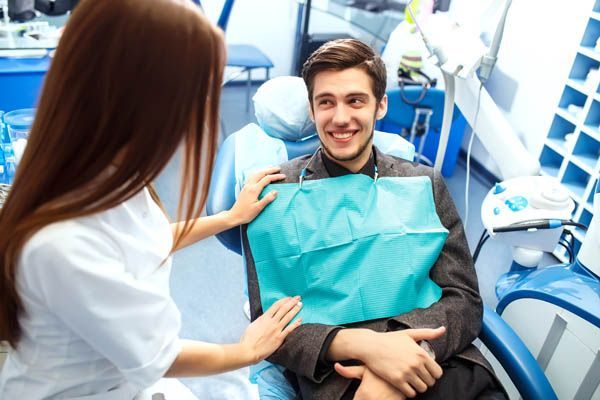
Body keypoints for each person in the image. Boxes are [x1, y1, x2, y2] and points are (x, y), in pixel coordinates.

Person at [0, 0, 303, 398]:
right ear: (144, 101)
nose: (198, 114)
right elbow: (161, 354)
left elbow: (145, 238)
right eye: (195, 96)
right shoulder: (63, 243)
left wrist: (229, 217)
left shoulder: (107, 171)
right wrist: (245, 351)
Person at [241, 39, 508, 399]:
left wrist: (406, 354)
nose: (340, 118)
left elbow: (464, 299)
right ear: (312, 108)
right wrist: (361, 347)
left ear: (380, 105)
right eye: (326, 102)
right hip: (338, 376)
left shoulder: (423, 183)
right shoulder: (273, 194)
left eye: (355, 100)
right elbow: (269, 327)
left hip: (439, 363)